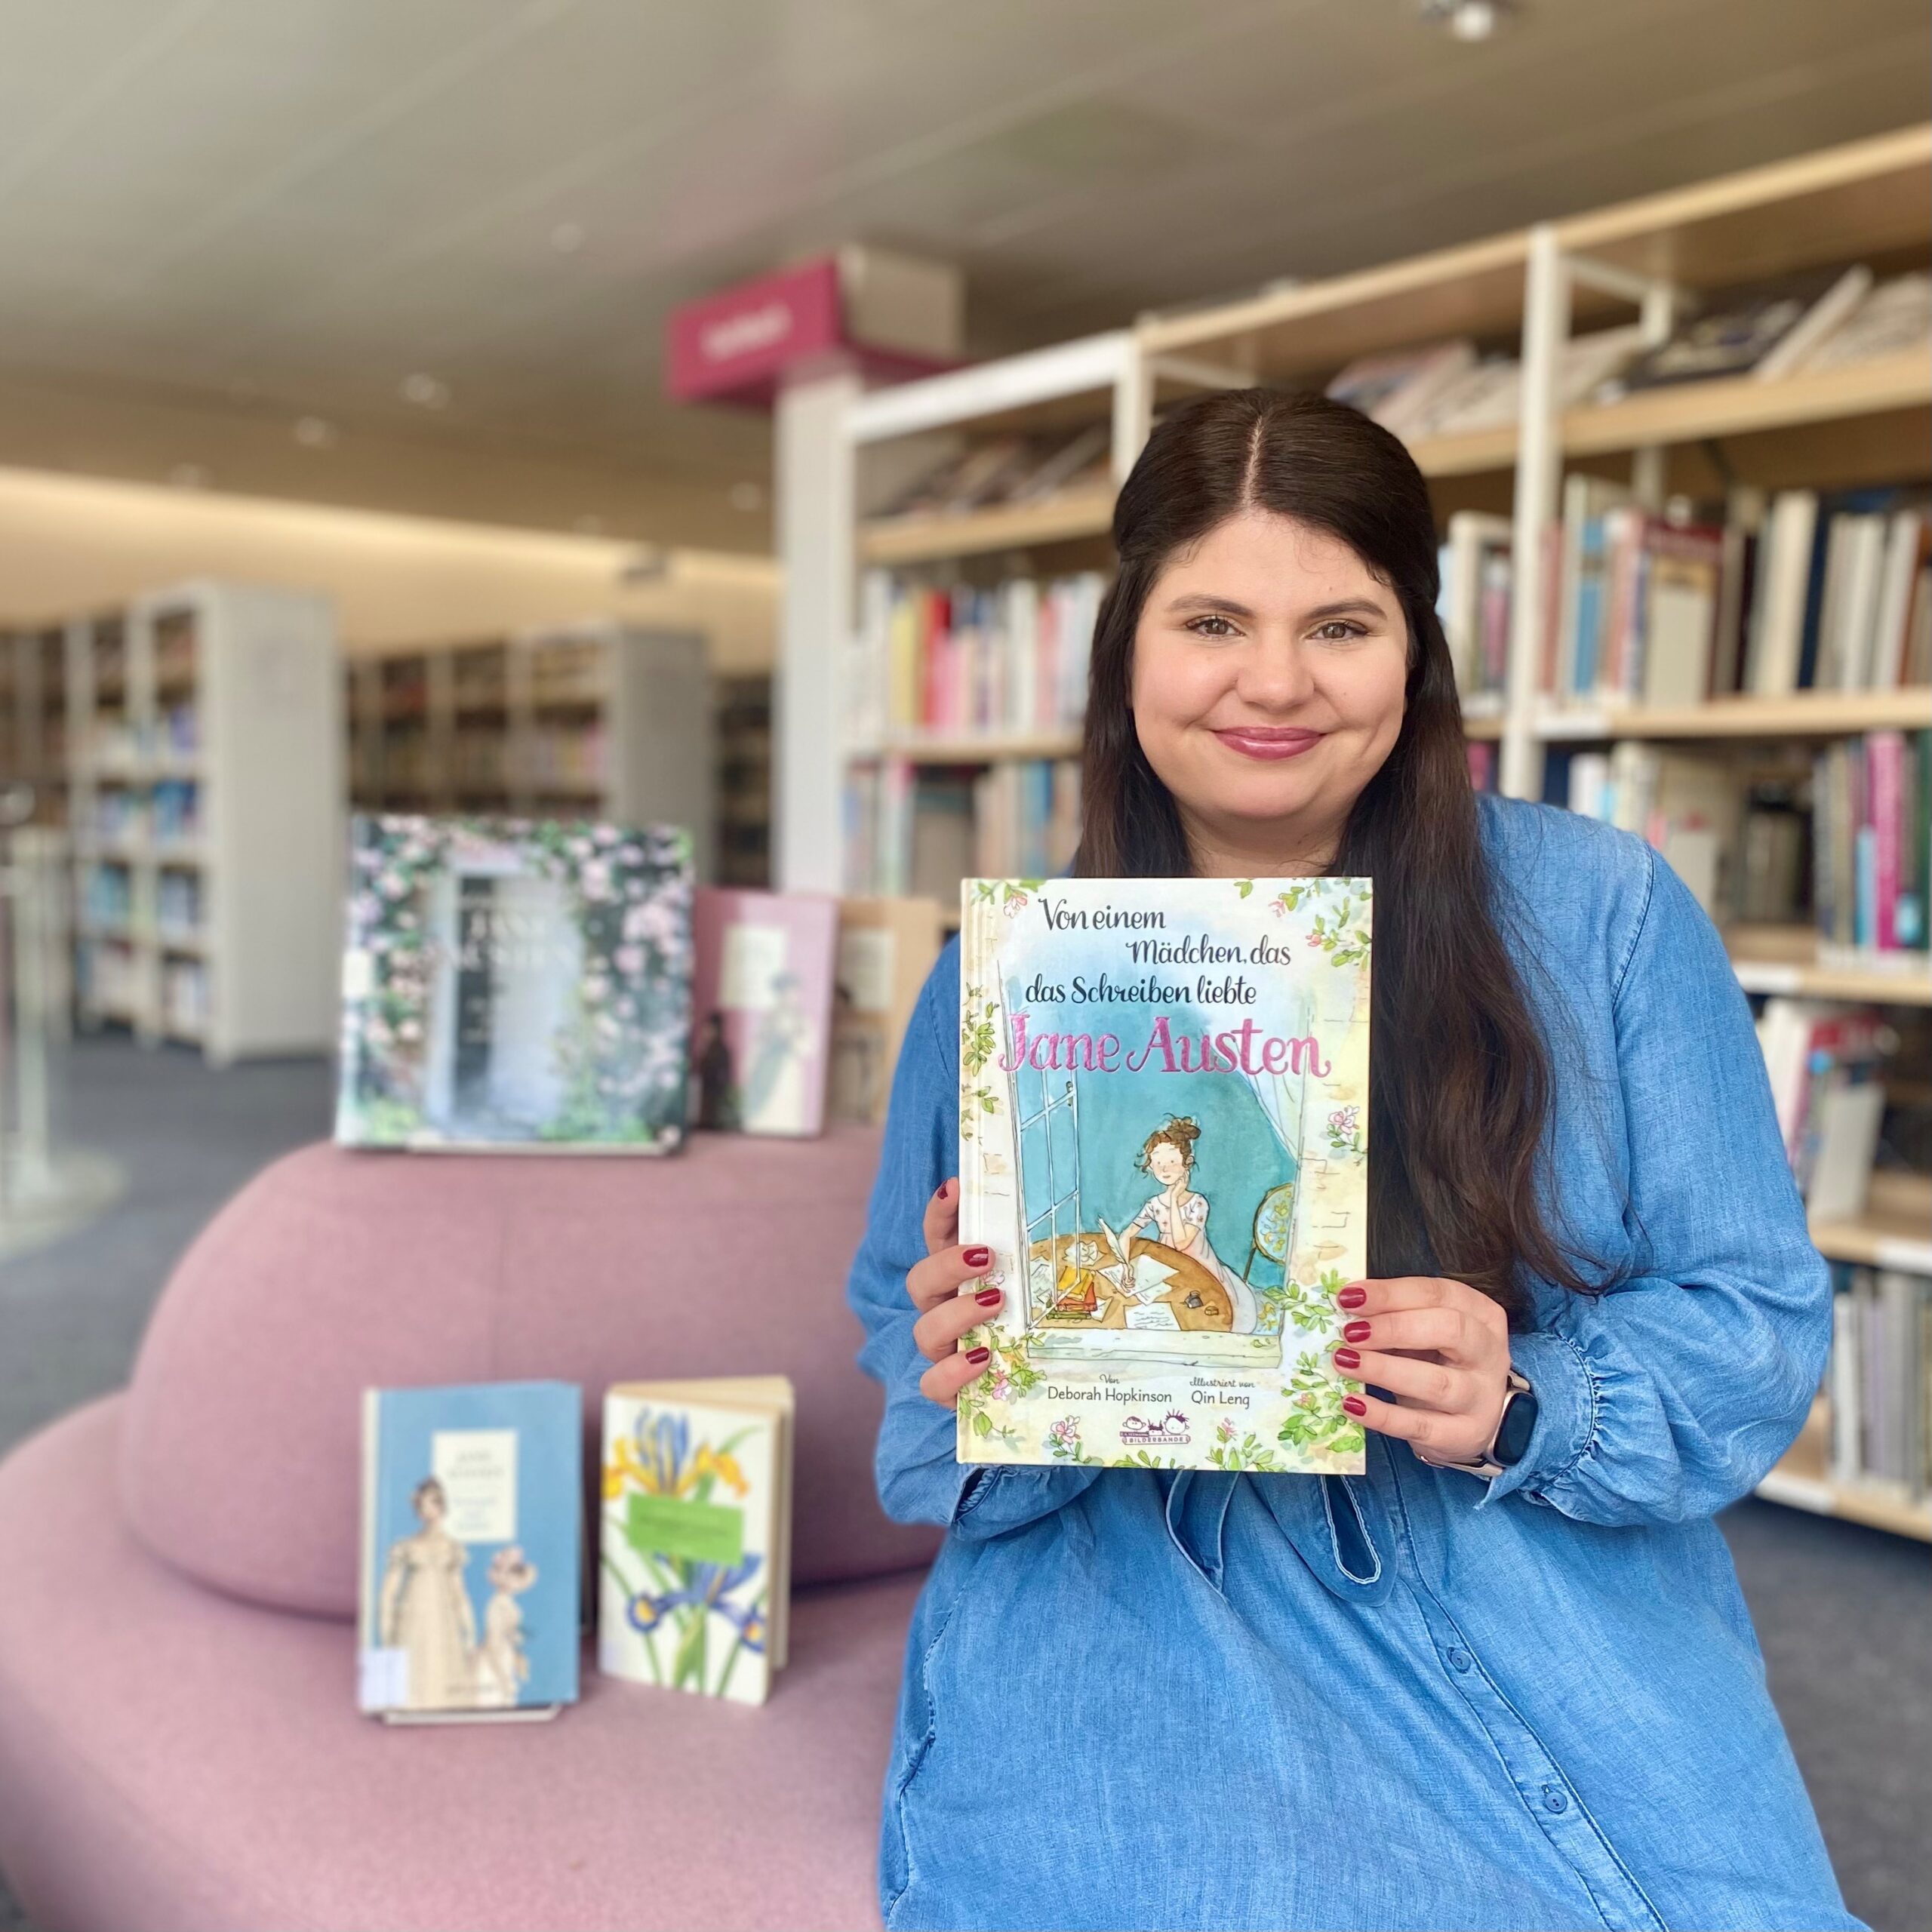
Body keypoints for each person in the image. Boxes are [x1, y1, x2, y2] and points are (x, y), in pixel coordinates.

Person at [844, 389, 1859, 1931]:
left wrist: (1524, 1396)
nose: (1274, 682)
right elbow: (894, 1330)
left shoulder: (1604, 914)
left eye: (1339, 625)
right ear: (1126, 647)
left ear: (1414, 651)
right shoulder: (1009, 978)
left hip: (1520, 1588)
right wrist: (974, 1359)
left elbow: (1756, 1317)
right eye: (1210, 622)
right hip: (1134, 1616)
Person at [1122, 1115, 1260, 1332]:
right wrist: (1125, 1267)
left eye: (1171, 1162)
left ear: (1187, 1162)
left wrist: (1174, 1200)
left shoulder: (1198, 1203)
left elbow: (1181, 1242)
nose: (1165, 1169)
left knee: (1196, 1308)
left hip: (1198, 1265)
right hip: (1169, 1263)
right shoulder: (1154, 1204)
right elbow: (1126, 1235)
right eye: (1158, 1163)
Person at [376, 1475, 476, 1711]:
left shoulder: (452, 1548)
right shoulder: (406, 1546)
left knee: (442, 1666)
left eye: (436, 1502)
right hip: (413, 1614)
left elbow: (459, 1594)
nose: (430, 1510)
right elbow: (389, 1593)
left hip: (443, 1617)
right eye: (424, 1505)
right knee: (413, 1668)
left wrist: (470, 1630)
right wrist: (387, 1630)